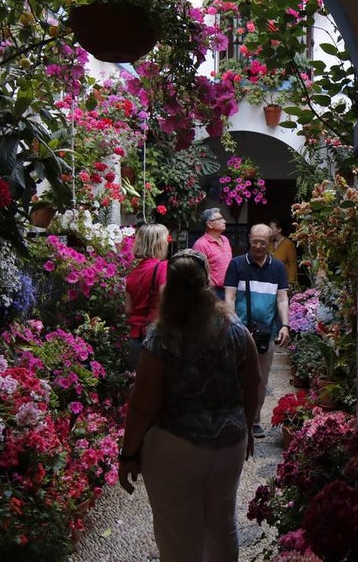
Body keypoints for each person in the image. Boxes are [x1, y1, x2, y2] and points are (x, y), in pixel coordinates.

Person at [117, 248, 261, 562]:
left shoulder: (161, 338)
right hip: (229, 444)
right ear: (208, 281)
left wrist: (129, 453)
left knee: (178, 535)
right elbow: (254, 385)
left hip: (175, 447)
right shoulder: (237, 331)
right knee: (222, 527)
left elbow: (142, 404)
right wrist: (246, 428)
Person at [223, 223, 290, 439]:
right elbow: (230, 297)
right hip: (240, 331)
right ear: (249, 240)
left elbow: (282, 298)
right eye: (255, 242)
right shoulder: (236, 265)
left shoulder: (278, 268)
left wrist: (285, 325)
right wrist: (231, 323)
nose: (259, 246)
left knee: (260, 378)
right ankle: (235, 417)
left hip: (266, 333)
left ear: (270, 243)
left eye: (263, 242)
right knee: (235, 376)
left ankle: (254, 419)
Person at [124, 223, 169, 368]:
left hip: (135, 337)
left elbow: (128, 309)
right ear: (159, 243)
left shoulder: (132, 273)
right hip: (155, 335)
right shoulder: (162, 267)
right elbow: (165, 297)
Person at [193, 207, 232, 301]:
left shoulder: (225, 240)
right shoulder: (201, 244)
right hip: (213, 292)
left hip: (229, 289)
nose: (225, 221)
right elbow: (199, 272)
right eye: (220, 219)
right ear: (209, 224)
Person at [268, 219, 298, 287]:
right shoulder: (269, 244)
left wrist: (291, 282)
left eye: (271, 228)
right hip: (270, 281)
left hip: (283, 281)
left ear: (279, 230)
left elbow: (292, 265)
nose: (269, 230)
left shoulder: (288, 245)